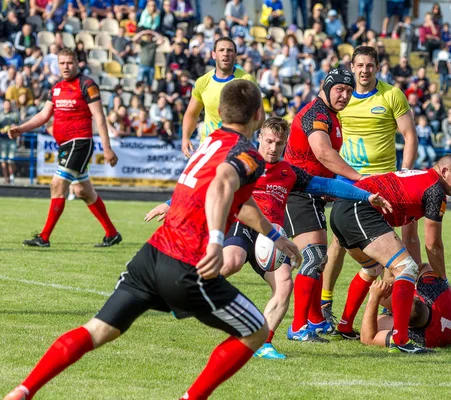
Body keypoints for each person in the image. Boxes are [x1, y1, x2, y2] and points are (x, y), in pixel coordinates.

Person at [3, 80, 302, 400]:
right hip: (189, 263)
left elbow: (239, 200)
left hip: (151, 255)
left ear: (221, 111)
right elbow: (222, 185)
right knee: (256, 330)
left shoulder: (212, 140)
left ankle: (22, 391)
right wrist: (216, 240)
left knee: (97, 330)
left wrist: (272, 233)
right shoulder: (248, 154)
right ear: (258, 114)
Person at [146, 116, 390, 358]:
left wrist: (364, 196)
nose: (273, 148)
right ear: (259, 138)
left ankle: (263, 342)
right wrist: (170, 204)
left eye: (279, 143)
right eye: (270, 141)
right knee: (232, 261)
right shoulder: (242, 164)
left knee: (284, 285)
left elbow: (326, 185)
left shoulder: (288, 173)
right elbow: (206, 185)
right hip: (242, 227)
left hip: (273, 238)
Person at [319, 47, 418, 334]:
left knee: (388, 246)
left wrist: (405, 176)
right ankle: (326, 303)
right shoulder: (341, 96)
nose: (364, 70)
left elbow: (409, 136)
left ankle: (388, 309)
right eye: (359, 65)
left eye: (370, 65)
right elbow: (324, 136)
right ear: (352, 66)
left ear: (377, 67)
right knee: (337, 242)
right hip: (349, 181)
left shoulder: (391, 95)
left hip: (384, 183)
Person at [329, 155, 451, 352]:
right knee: (406, 267)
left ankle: (344, 326)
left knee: (371, 269)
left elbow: (411, 238)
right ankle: (401, 340)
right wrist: (442, 282)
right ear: (444, 171)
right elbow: (433, 244)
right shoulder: (436, 191)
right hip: (360, 208)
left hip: (343, 208)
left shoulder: (421, 180)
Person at [8, 49, 121, 248]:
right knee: (83, 191)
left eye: (69, 63)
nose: (65, 67)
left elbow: (100, 117)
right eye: (62, 63)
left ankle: (44, 237)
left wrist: (107, 148)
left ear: (77, 63)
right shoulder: (57, 88)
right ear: (57, 65)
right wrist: (21, 129)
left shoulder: (87, 84)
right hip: (65, 145)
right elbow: (43, 116)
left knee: (57, 184)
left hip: (80, 143)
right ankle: (112, 233)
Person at [283, 68, 366, 342]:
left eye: (349, 91)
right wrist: (357, 178)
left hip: (312, 193)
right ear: (326, 86)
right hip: (297, 191)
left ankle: (316, 320)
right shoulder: (316, 113)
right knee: (314, 257)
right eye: (339, 89)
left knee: (318, 258)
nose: (344, 95)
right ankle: (297, 327)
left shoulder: (330, 114)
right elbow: (322, 152)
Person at [181, 37, 258, 157]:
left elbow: (259, 116)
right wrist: (185, 138)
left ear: (235, 55)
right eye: (221, 50)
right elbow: (191, 113)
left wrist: (240, 135)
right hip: (208, 149)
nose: (225, 54)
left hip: (236, 148)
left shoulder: (246, 80)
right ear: (213, 54)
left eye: (230, 50)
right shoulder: (202, 82)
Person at [360, 265, 451, 349]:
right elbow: (425, 267)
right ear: (419, 298)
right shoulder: (431, 290)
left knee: (377, 318)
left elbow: (367, 338)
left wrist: (374, 297)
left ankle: (385, 265)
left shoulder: (415, 337)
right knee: (390, 290)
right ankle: (389, 268)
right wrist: (400, 278)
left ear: (408, 327)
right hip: (450, 310)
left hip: (446, 318)